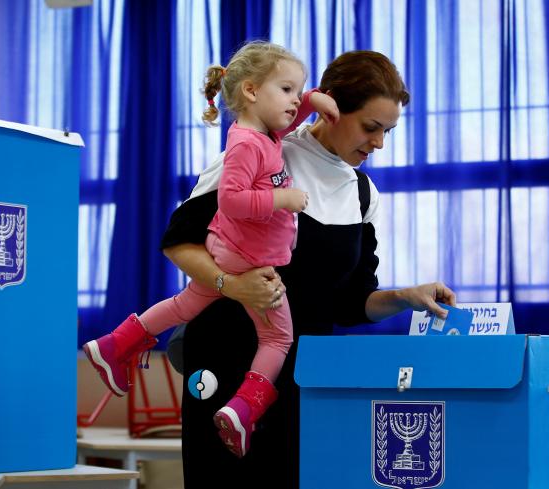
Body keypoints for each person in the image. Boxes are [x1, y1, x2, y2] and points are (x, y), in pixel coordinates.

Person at [161, 50, 457, 488]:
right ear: (331, 107)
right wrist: (235, 285)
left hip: (305, 375)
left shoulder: (362, 194)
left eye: (387, 132)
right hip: (228, 365)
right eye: (371, 128)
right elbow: (180, 241)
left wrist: (404, 297)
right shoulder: (262, 152)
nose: (379, 144)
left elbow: (351, 304)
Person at [82, 41, 339, 458]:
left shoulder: (263, 134)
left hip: (232, 250)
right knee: (277, 336)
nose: (295, 102)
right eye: (288, 90)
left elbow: (289, 124)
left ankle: (115, 344)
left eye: (299, 91)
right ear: (253, 91)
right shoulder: (246, 144)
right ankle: (244, 408)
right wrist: (282, 200)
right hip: (247, 255)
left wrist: (313, 99)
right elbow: (232, 200)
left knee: (185, 303)